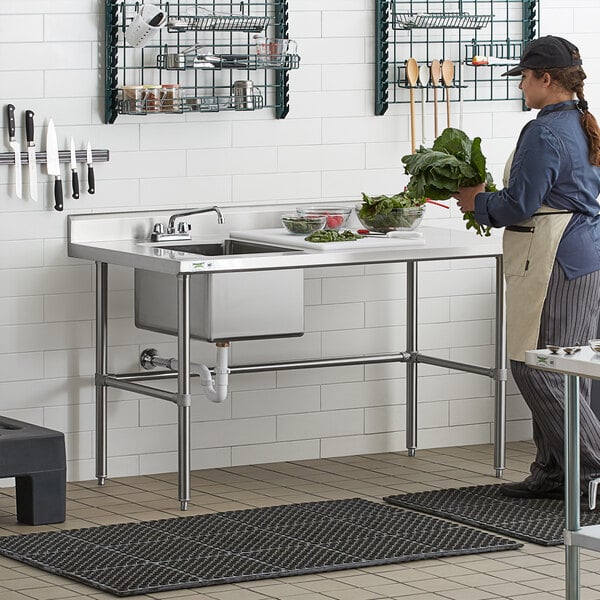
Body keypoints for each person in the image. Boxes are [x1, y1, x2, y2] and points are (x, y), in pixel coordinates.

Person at [453, 35, 600, 499]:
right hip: (583, 255)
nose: (521, 87)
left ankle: (593, 468)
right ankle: (558, 473)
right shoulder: (580, 121)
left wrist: (478, 201)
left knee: (537, 366)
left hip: (555, 258)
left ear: (546, 79)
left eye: (524, 79)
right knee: (568, 366)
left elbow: (520, 204)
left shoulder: (544, 130)